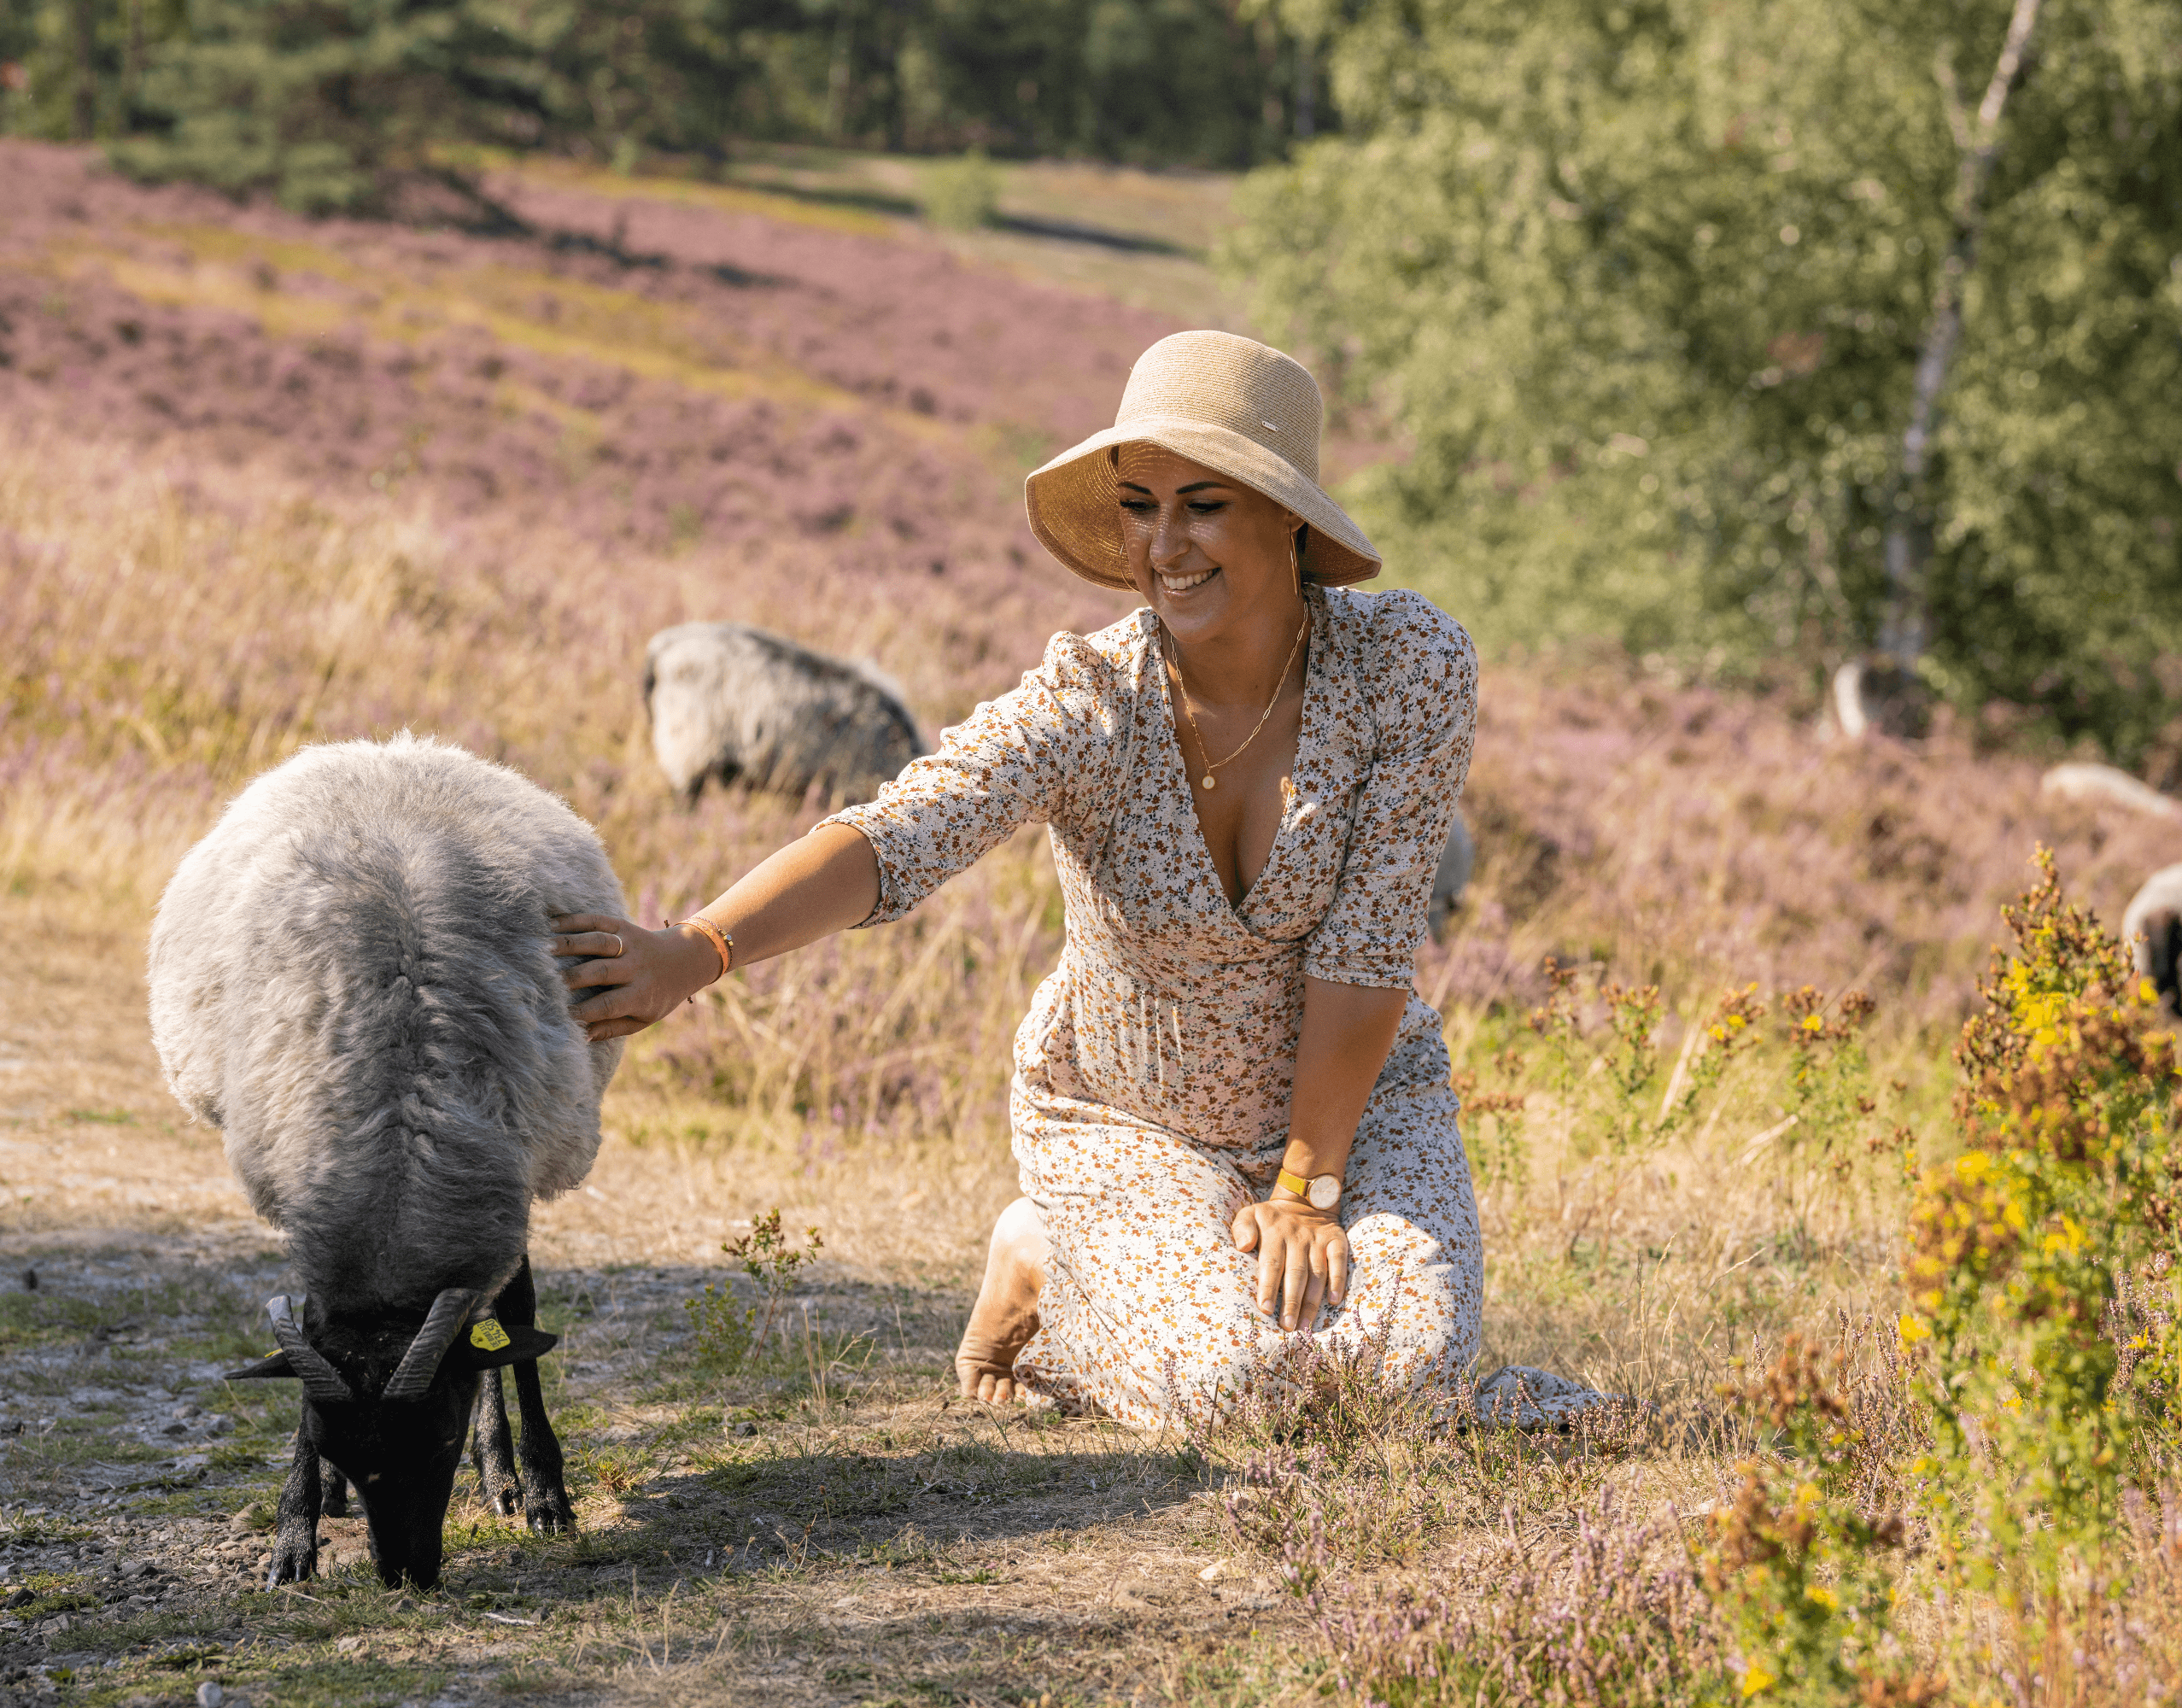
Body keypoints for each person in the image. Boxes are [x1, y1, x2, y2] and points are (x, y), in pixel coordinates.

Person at [556, 330, 1602, 1429]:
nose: (1164, 544)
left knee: (1401, 1371)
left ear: (1289, 514)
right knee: (1231, 1390)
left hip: (1358, 1104)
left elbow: (1368, 945)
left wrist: (1305, 1187)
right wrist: (697, 950)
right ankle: (1048, 1258)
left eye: (1203, 504)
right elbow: (900, 832)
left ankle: (1268, 1293)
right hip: (1132, 1121)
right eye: (1140, 506)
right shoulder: (1090, 700)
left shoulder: (1408, 665)